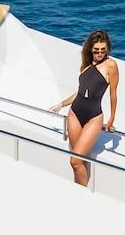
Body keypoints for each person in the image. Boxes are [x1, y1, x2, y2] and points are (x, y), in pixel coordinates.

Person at [50, 29, 120, 186]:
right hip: (74, 114)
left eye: (103, 50)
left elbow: (113, 94)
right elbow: (80, 93)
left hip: (93, 117)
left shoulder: (111, 65)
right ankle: (81, 189)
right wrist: (61, 104)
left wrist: (111, 118)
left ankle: (80, 194)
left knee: (75, 161)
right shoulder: (86, 65)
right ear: (90, 49)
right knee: (80, 159)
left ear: (107, 49)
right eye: (96, 50)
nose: (100, 53)